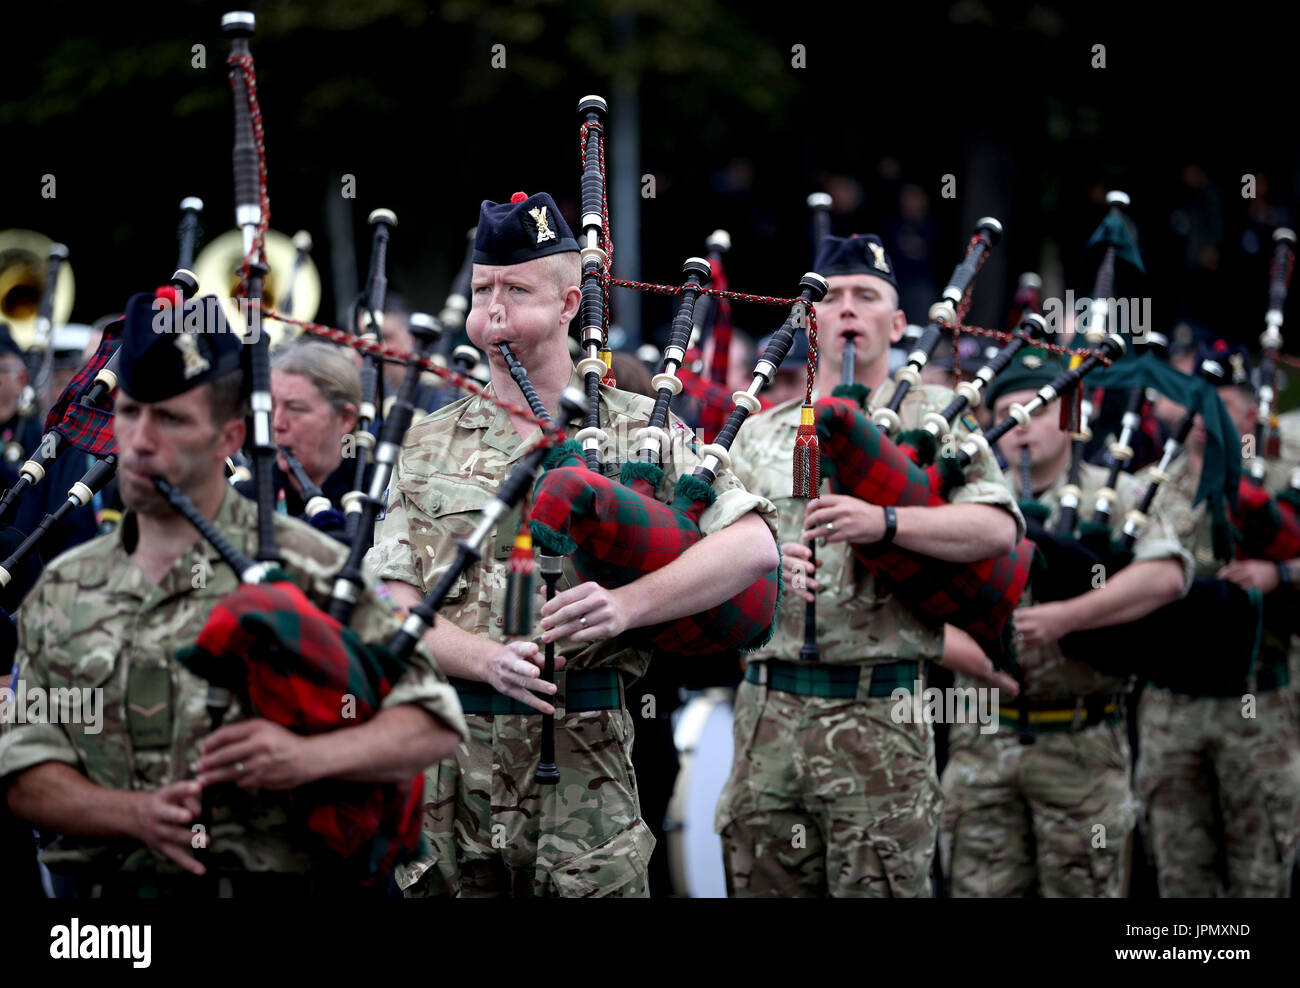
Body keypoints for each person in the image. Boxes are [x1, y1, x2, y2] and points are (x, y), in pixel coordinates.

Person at [366, 190, 778, 898]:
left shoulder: (637, 429)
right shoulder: (427, 441)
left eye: (516, 287)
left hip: (585, 761)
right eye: (483, 286)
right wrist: (485, 660)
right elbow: (388, 596)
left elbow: (752, 545)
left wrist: (627, 606)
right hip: (451, 764)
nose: (493, 303)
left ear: (566, 306)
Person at [0, 287, 467, 897]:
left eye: (170, 418)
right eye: (131, 412)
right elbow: (26, 768)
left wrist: (303, 761)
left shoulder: (313, 570)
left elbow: (431, 720)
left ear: (229, 438)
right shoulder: (63, 588)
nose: (139, 442)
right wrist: (135, 817)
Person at [717, 233, 1024, 897]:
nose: (848, 309)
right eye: (833, 297)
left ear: (898, 323)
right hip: (766, 713)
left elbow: (997, 528)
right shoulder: (760, 431)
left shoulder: (940, 422)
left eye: (867, 296)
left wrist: (886, 522)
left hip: (880, 715)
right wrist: (761, 570)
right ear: (810, 319)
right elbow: (706, 556)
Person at [939, 345, 1190, 897]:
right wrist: (965, 655)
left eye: (1041, 409)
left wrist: (1066, 617)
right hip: (982, 743)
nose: (1024, 427)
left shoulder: (1118, 492)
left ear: (1072, 416)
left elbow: (1167, 575)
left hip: (1082, 744)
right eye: (1013, 412)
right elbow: (911, 593)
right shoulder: (966, 499)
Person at [235, 340, 368, 537]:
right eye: (271, 407)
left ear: (345, 419)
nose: (277, 424)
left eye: (295, 409)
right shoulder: (244, 499)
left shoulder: (380, 495)